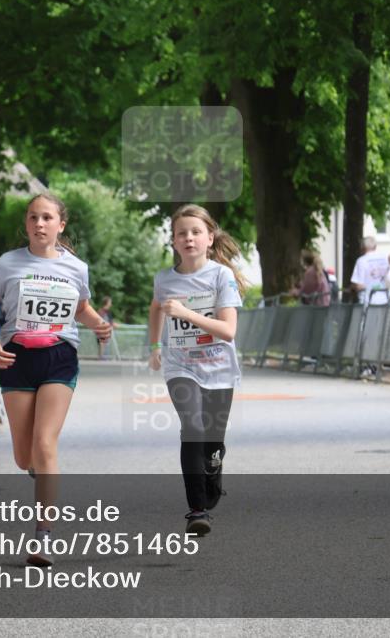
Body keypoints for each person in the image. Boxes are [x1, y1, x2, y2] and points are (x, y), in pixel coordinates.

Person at [0, 192, 112, 566]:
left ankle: (43, 537)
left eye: (47, 218)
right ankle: (37, 468)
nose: (39, 223)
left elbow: (81, 308)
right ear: (26, 223)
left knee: (45, 443)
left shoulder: (76, 268)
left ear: (60, 225)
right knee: (25, 457)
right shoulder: (8, 263)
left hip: (58, 357)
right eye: (33, 217)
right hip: (16, 358)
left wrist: (99, 325)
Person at [148, 204, 246, 537]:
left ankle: (214, 462)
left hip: (218, 367)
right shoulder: (164, 279)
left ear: (209, 238)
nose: (188, 238)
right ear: (173, 241)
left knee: (212, 440)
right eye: (181, 233)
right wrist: (155, 346)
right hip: (181, 365)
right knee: (192, 427)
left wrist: (185, 313)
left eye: (195, 232)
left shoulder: (221, 276)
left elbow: (228, 330)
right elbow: (156, 308)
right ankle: (197, 511)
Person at [350, 237, 390, 304]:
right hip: (384, 299)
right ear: (375, 246)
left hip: (367, 301)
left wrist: (352, 287)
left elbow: (359, 285)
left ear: (362, 247)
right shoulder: (385, 258)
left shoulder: (361, 261)